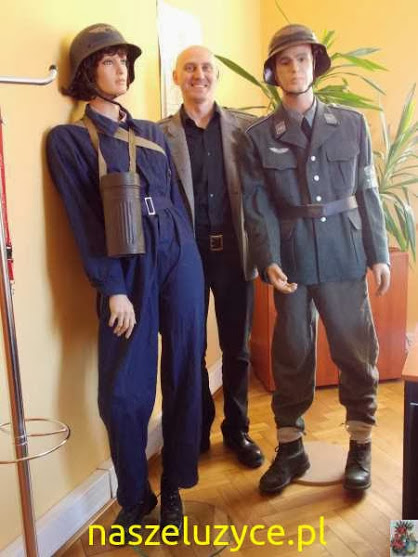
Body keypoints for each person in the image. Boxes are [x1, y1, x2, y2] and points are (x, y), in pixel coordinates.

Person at [47, 24, 205, 535]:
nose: (121, 70)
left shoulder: (153, 134)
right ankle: (136, 495)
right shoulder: (71, 140)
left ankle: (176, 484)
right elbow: (84, 220)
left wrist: (189, 257)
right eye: (108, 61)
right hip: (128, 266)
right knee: (123, 394)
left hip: (179, 256)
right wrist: (112, 287)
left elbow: (176, 201)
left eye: (124, 61)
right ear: (85, 72)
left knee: (185, 369)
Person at [240, 24, 390, 493]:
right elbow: (257, 205)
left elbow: (367, 190)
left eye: (302, 59)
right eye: (285, 61)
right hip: (292, 259)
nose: (295, 68)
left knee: (355, 349)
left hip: (345, 251)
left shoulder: (352, 124)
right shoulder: (257, 137)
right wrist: (267, 258)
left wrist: (379, 254)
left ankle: (360, 443)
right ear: (274, 72)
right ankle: (291, 449)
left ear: (314, 65)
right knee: (292, 353)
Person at [159, 46, 264, 468]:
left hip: (235, 253)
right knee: (192, 348)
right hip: (187, 258)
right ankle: (198, 429)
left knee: (237, 348)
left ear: (216, 75)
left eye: (205, 68)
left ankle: (237, 430)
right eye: (189, 68)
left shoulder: (246, 129)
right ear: (176, 77)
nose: (198, 75)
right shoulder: (159, 135)